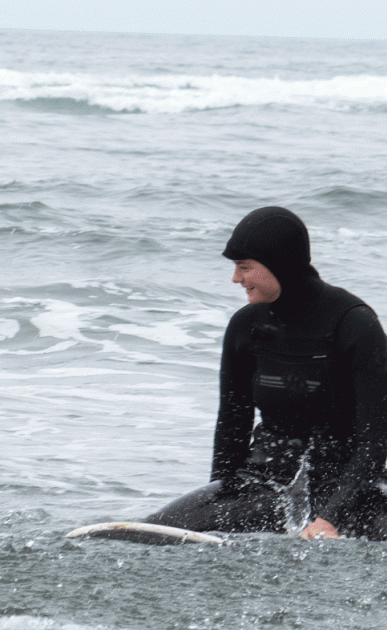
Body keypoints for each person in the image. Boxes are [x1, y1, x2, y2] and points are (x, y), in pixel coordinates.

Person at [144, 206, 387, 540]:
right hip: (266, 485)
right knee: (156, 531)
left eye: (245, 267)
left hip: (347, 489)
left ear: (281, 266)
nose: (235, 278)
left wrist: (330, 519)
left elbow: (375, 442)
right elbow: (232, 425)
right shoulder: (246, 327)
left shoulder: (354, 325)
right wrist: (220, 503)